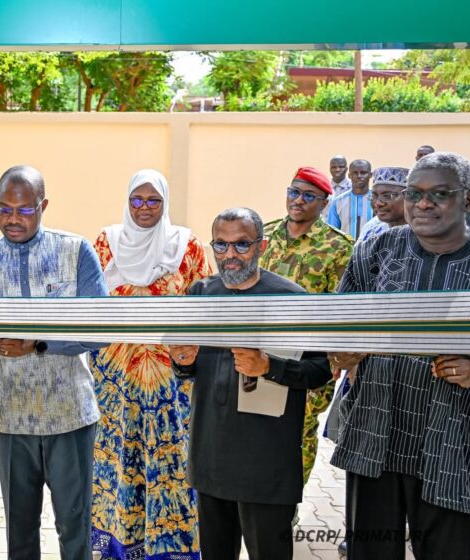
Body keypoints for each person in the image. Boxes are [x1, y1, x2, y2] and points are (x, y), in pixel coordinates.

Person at [0, 165, 108, 560]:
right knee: (19, 530)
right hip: (11, 419)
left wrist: (39, 344)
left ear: (44, 206)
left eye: (24, 210)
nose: (13, 219)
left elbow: (100, 331)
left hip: (69, 415)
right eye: (4, 209)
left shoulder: (75, 252)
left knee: (74, 526)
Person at [329, 152, 470, 559]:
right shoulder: (377, 249)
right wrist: (342, 352)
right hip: (376, 437)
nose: (423, 203)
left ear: (466, 199)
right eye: (414, 193)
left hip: (454, 447)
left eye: (439, 193)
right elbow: (340, 322)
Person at [170, 207, 332, 560]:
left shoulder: (291, 300)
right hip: (212, 456)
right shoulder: (201, 294)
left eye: (241, 244)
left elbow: (320, 371)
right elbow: (188, 368)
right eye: (221, 245)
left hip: (266, 463)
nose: (230, 254)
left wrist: (269, 367)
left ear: (261, 246)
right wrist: (182, 362)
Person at [90, 169, 209, 560]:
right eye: (137, 200)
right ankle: (117, 547)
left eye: (153, 200)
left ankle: (170, 549)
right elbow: (89, 306)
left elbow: (205, 307)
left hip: (172, 382)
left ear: (164, 203)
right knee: (119, 458)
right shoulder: (106, 242)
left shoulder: (186, 245)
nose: (144, 208)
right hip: (116, 380)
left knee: (170, 460)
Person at [259, 167, 353, 489]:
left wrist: (336, 357)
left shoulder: (338, 247)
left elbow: (341, 310)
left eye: (308, 196)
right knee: (259, 425)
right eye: (294, 192)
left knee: (299, 429)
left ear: (324, 204)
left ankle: (290, 499)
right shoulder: (265, 235)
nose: (298, 200)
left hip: (308, 359)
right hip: (261, 352)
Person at [356, 167, 410, 244]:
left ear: (408, 196)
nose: (378, 203)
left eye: (387, 196)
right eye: (374, 196)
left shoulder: (422, 233)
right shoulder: (370, 230)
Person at [326, 159, 373, 240]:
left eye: (363, 173)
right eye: (355, 173)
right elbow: (331, 232)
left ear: (370, 175)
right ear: (349, 175)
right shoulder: (338, 202)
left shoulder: (378, 200)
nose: (359, 176)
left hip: (373, 247)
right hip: (346, 247)